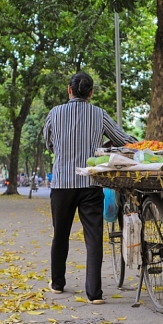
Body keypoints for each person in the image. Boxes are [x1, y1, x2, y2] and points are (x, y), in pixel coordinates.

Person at [43, 72, 136, 304]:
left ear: (69, 90)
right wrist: (142, 144)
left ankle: (57, 284)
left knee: (60, 234)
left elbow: (49, 142)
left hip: (62, 183)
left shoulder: (54, 113)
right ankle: (94, 294)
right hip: (91, 183)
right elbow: (122, 139)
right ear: (91, 93)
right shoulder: (99, 114)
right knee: (94, 237)